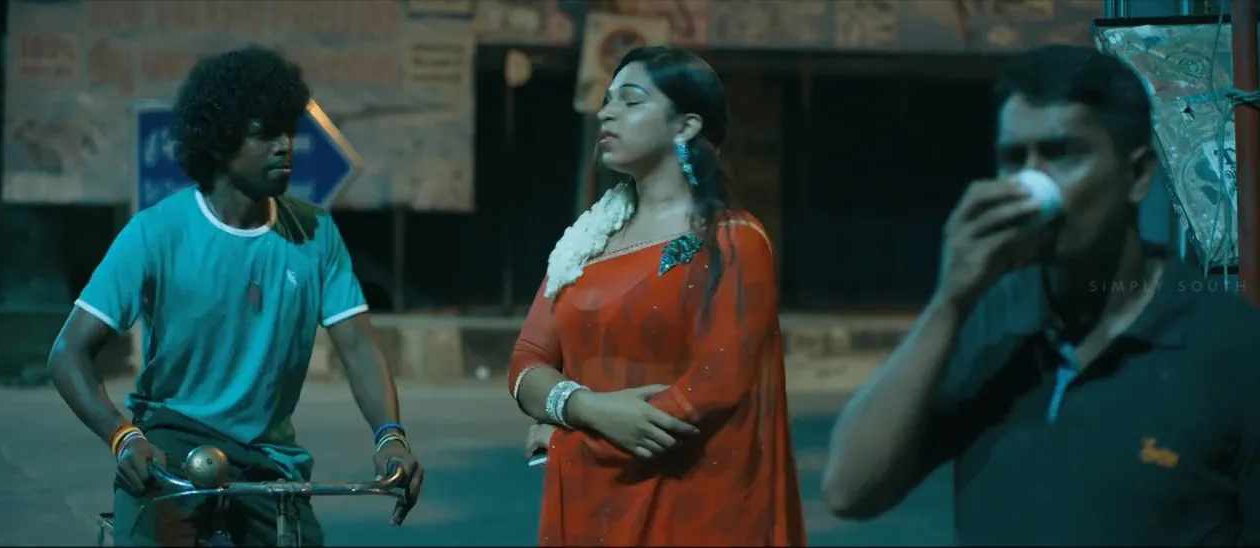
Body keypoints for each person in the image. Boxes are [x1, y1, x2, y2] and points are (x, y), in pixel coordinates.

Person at [820, 44, 1260, 545]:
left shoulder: (1232, 348)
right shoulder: (991, 324)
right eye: (1014, 159)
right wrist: (949, 301)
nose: (1029, 185)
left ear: (1137, 175)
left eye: (1061, 153)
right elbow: (849, 490)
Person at [46, 45, 424, 547]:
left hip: (270, 459)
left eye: (287, 131)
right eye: (264, 134)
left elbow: (357, 347)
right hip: (171, 447)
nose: (284, 146)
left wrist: (390, 437)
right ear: (221, 144)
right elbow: (67, 352)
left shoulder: (317, 233)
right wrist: (122, 437)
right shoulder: (156, 233)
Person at [508, 46, 805, 547]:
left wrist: (568, 440)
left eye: (631, 101)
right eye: (607, 100)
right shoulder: (587, 241)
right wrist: (585, 409)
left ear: (685, 125)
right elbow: (527, 361)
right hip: (593, 508)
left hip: (691, 506)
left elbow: (713, 388)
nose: (607, 113)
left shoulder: (732, 241)